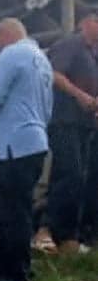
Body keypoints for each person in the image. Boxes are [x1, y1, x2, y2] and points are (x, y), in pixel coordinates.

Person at [0, 18, 53, 281]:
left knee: (13, 212)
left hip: (15, 144)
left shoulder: (12, 53)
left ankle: (15, 277)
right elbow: (48, 107)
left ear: (6, 36)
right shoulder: (42, 60)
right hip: (35, 140)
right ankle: (4, 266)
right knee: (16, 208)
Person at [41, 14, 98, 252]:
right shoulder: (70, 44)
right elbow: (54, 75)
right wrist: (81, 96)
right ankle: (62, 233)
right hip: (65, 120)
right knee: (70, 174)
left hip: (85, 123)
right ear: (84, 23)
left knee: (80, 176)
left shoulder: (92, 53)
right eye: (96, 21)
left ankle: (73, 232)